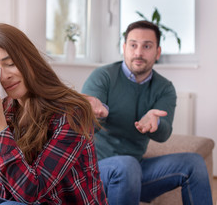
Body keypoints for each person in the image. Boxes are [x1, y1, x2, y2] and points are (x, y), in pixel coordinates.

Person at [0, 23, 108, 205]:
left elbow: (30, 193)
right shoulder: (5, 109)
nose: (4, 77)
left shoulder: (73, 111)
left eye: (10, 63)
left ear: (29, 59)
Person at [82, 20, 213, 205]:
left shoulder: (164, 88)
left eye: (147, 46)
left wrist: (155, 123)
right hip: (96, 170)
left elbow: (164, 133)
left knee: (194, 163)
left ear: (157, 52)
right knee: (126, 165)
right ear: (125, 47)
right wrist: (97, 112)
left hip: (136, 169)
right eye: (133, 45)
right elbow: (82, 126)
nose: (138, 52)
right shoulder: (103, 76)